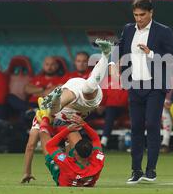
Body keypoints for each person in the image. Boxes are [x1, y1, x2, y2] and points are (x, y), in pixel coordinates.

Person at [21, 39, 112, 183]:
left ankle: (105, 55)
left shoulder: (55, 118)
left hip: (73, 107)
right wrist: (27, 172)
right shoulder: (43, 116)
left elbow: (77, 146)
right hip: (65, 107)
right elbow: (32, 145)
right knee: (42, 137)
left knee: (86, 89)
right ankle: (106, 55)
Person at [110, 0, 173, 184]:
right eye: (136, 15)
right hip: (135, 85)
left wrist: (151, 53)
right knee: (136, 127)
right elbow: (119, 47)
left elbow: (171, 58)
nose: (139, 19)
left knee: (152, 125)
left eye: (142, 15)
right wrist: (112, 63)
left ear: (151, 13)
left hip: (155, 85)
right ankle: (136, 170)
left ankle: (151, 170)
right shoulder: (129, 28)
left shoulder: (163, 31)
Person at [39, 114, 105, 187]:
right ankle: (61, 128)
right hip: (78, 175)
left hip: (61, 173)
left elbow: (50, 145)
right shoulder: (98, 160)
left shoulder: (65, 162)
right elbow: (96, 138)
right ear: (91, 152)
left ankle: (45, 118)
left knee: (43, 133)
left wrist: (67, 130)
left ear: (75, 152)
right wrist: (83, 124)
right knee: (73, 132)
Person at [7, 56, 63, 123]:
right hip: (30, 104)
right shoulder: (37, 78)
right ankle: (31, 109)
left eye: (52, 64)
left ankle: (31, 110)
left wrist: (35, 91)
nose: (49, 67)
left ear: (57, 66)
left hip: (45, 105)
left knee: (23, 113)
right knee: (10, 97)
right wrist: (42, 89)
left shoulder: (61, 79)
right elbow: (26, 89)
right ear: (43, 65)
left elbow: (49, 93)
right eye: (47, 64)